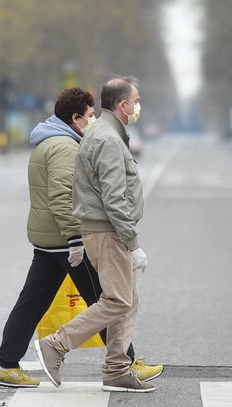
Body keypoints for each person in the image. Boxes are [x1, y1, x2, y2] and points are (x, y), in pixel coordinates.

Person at [0, 87, 162, 388]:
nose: (93, 119)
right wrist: (74, 239)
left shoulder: (48, 142)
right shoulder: (65, 147)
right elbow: (60, 196)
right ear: (75, 118)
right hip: (66, 241)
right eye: (90, 115)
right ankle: (126, 364)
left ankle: (5, 365)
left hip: (48, 240)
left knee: (31, 303)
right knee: (109, 298)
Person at [34, 76, 155, 393]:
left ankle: (117, 369)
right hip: (109, 232)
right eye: (136, 100)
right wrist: (134, 243)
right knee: (117, 300)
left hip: (108, 230)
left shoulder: (107, 134)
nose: (138, 106)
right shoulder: (107, 140)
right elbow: (114, 199)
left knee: (128, 300)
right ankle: (57, 344)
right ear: (123, 104)